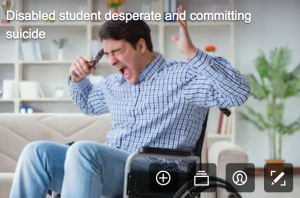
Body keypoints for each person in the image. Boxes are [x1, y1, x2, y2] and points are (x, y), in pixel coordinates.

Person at [9, 5, 251, 198]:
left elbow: (238, 92)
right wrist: (77, 78)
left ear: (141, 46)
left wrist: (193, 53)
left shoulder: (182, 76)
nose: (111, 61)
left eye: (117, 52)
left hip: (158, 173)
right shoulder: (116, 84)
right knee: (36, 152)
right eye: (107, 54)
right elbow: (88, 104)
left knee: (84, 150)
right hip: (115, 168)